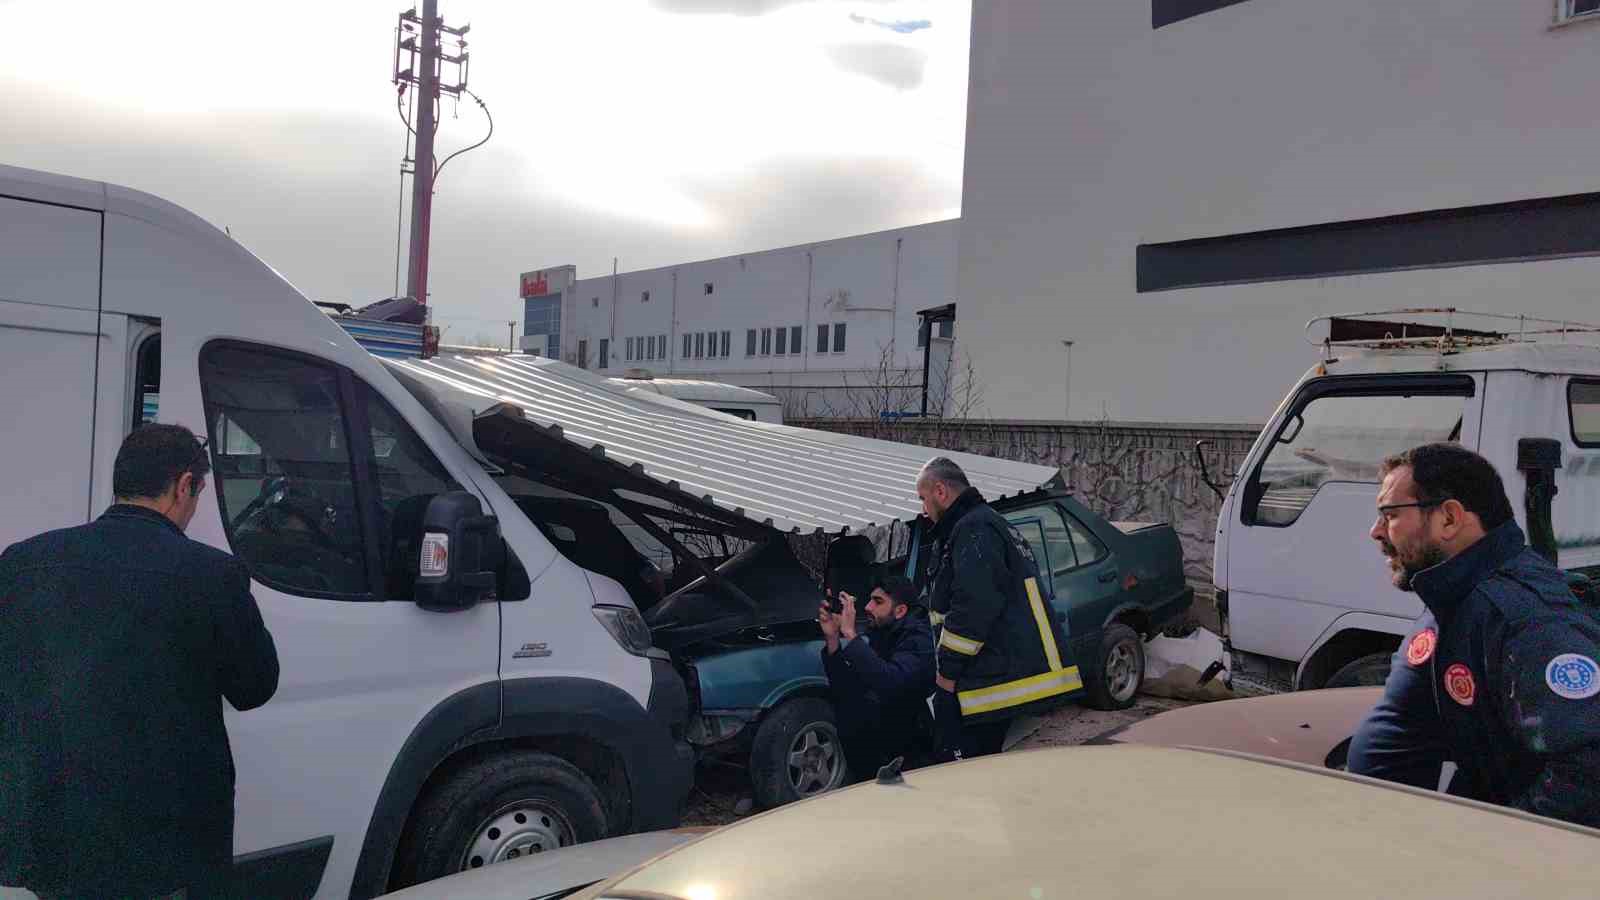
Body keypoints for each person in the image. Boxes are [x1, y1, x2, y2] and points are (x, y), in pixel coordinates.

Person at [0, 424, 281, 899]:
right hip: (165, 838)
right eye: (197, 494)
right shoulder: (212, 575)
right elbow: (255, 688)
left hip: (55, 824)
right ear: (184, 485)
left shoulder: (24, 562)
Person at [1346, 442, 1600, 827]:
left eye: (1390, 514)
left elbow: (1589, 766)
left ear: (1449, 518)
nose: (1375, 531)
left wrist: (1496, 843)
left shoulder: (1525, 621)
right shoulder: (1453, 595)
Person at [916, 457, 1076, 762]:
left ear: (940, 491)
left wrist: (946, 677)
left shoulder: (974, 528)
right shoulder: (986, 523)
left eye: (923, 499)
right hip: (992, 670)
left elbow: (973, 607)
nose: (923, 510)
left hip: (989, 676)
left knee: (968, 772)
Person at [817, 577, 936, 779]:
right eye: (870, 600)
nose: (868, 606)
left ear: (900, 611)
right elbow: (846, 691)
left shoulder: (919, 638)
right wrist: (833, 639)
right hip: (873, 763)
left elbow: (890, 683)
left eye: (878, 601)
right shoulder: (880, 634)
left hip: (910, 764)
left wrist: (850, 634)